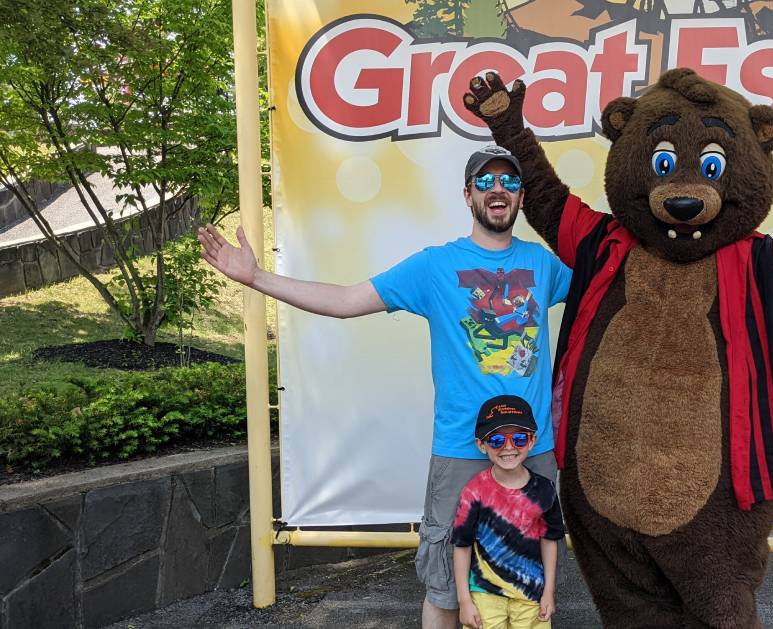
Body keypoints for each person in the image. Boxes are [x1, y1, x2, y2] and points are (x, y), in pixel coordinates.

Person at [196, 145, 571, 629]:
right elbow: (346, 300)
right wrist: (256, 277)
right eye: (484, 181)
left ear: (521, 197)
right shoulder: (436, 266)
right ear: (467, 194)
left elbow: (609, 279)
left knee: (527, 585)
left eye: (509, 182)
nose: (496, 190)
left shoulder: (543, 266)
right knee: (445, 585)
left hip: (532, 447)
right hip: (461, 448)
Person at [451, 395, 564, 629]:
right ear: (481, 445)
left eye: (520, 438)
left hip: (532, 596)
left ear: (532, 441)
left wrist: (549, 592)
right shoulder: (474, 492)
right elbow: (461, 546)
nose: (509, 447)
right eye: (497, 440)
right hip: (485, 597)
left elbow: (550, 541)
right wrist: (464, 601)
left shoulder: (545, 490)